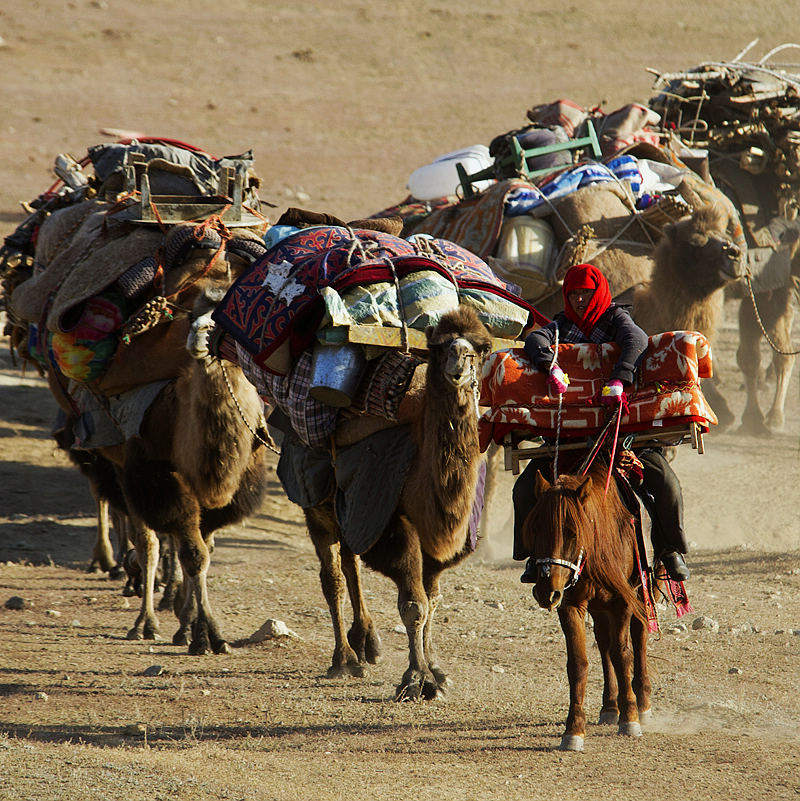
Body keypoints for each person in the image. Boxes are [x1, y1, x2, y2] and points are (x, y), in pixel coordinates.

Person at [513, 262, 691, 583]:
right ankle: (532, 555)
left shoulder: (615, 319)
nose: (580, 300)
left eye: (586, 292)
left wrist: (620, 379)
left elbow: (636, 340)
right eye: (574, 293)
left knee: (667, 486)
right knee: (524, 489)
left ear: (600, 292)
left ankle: (669, 550)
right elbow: (535, 339)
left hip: (622, 436)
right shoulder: (561, 325)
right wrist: (550, 366)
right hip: (568, 436)